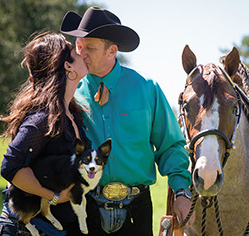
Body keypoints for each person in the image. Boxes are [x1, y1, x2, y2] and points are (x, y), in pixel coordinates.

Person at [60, 6, 195, 235]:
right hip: (85, 205)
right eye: (79, 46)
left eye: (89, 48)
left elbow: (170, 146)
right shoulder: (70, 92)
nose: (81, 53)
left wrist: (182, 192)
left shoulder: (146, 88)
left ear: (112, 51)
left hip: (137, 208)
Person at [0, 32, 90, 235]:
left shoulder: (72, 114)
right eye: (75, 51)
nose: (82, 54)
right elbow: (10, 166)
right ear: (67, 65)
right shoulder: (43, 118)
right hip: (23, 229)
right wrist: (53, 197)